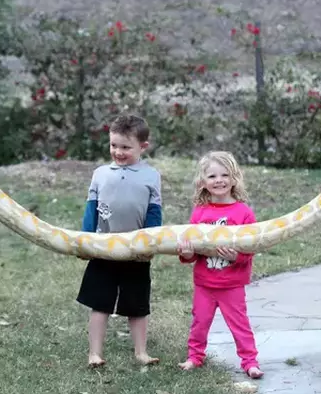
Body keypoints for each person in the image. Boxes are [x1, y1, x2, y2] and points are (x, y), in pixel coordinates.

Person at [75, 114, 163, 368]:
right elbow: (91, 209)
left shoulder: (151, 176)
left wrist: (151, 242)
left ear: (143, 147)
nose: (118, 152)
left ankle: (141, 352)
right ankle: (94, 353)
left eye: (126, 147)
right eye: (114, 145)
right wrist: (85, 240)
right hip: (104, 249)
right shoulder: (100, 174)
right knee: (99, 303)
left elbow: (154, 211)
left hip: (136, 251)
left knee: (137, 305)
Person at [176, 151, 263, 379]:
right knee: (199, 322)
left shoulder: (243, 213)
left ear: (234, 178)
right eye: (212, 176)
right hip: (205, 282)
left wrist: (236, 258)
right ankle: (195, 356)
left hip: (232, 284)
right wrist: (187, 253)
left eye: (225, 175)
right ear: (203, 182)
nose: (219, 180)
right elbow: (193, 252)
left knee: (239, 324)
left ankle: (250, 361)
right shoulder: (200, 213)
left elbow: (251, 248)